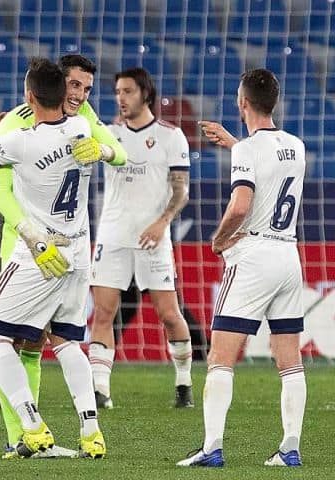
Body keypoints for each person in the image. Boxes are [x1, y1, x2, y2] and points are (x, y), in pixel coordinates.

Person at [0, 57, 117, 459]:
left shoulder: (20, 141)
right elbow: (113, 149)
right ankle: (91, 431)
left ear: (30, 96)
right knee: (67, 341)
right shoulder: (82, 129)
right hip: (78, 252)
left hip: (39, 255)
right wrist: (102, 149)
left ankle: (31, 425)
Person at [178, 69, 306, 468]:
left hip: (253, 255)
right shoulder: (297, 146)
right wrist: (235, 145)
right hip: (289, 256)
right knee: (290, 359)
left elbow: (241, 205)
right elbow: (269, 167)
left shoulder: (247, 152)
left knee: (220, 356)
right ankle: (289, 449)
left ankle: (212, 447)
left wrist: (217, 241)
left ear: (242, 102)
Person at [89, 67, 194, 409]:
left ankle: (183, 382)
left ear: (145, 94)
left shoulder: (170, 136)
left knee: (168, 314)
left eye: (128, 91)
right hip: (113, 234)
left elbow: (181, 191)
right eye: (118, 92)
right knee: (103, 313)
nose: (121, 98)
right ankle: (100, 390)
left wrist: (163, 222)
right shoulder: (107, 134)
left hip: (153, 238)